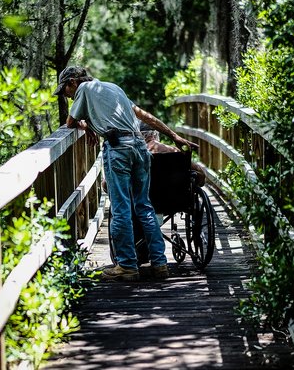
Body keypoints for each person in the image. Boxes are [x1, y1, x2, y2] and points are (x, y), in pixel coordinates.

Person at [54, 66, 198, 281]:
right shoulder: (113, 88)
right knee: (144, 206)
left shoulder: (83, 88)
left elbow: (70, 122)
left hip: (118, 148)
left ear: (73, 81)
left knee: (121, 208)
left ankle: (128, 266)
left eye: (64, 89)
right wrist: (174, 136)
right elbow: (144, 116)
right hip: (139, 146)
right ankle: (160, 264)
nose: (65, 95)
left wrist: (86, 126)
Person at [139, 122, 206, 187]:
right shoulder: (173, 151)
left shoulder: (136, 154)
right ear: (155, 134)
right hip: (175, 194)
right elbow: (200, 173)